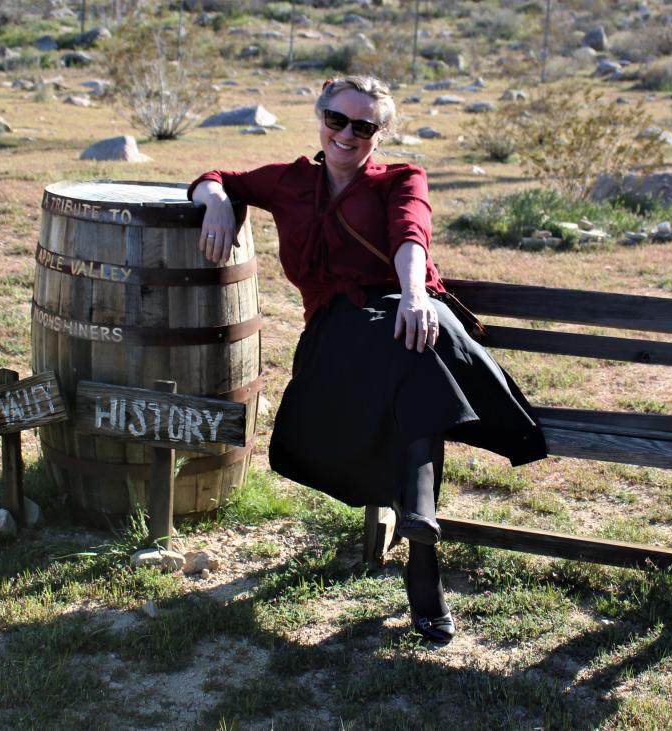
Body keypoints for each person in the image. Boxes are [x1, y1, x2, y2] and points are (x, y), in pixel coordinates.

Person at [189, 75, 545, 643]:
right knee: (406, 364)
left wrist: (412, 294)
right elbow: (216, 178)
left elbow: (411, 234)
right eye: (337, 120)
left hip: (411, 315)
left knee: (409, 352)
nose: (346, 135)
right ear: (320, 117)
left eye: (363, 126)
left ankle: (420, 534)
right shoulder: (289, 182)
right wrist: (215, 204)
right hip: (342, 331)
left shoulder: (401, 178)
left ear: (379, 134)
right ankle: (421, 531)